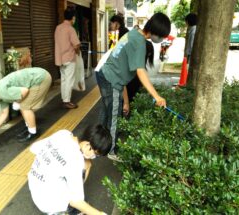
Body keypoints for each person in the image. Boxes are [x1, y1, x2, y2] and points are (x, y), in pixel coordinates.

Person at [96, 12, 171, 160]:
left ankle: (97, 142)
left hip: (104, 74)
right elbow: (140, 71)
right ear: (155, 32)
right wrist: (156, 96)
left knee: (106, 110)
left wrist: (126, 100)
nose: (161, 39)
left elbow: (125, 69)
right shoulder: (139, 43)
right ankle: (111, 151)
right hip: (112, 80)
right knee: (114, 117)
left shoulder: (134, 33)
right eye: (161, 36)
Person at [28, 124, 112, 215]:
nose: (93, 156)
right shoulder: (76, 159)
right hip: (49, 204)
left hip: (34, 187)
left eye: (96, 155)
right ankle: (64, 212)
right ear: (88, 145)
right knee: (87, 166)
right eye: (95, 153)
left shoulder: (64, 134)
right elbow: (75, 201)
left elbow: (33, 148)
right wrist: (99, 214)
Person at [0, 53, 52, 142]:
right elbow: (4, 113)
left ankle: (33, 132)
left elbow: (24, 91)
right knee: (24, 107)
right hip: (37, 74)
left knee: (25, 107)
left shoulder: (2, 91)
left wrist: (18, 101)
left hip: (41, 78)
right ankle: (30, 127)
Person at [55, 8, 81, 109]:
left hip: (60, 58)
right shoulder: (70, 29)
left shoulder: (58, 27)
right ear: (73, 18)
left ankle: (64, 98)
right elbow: (76, 44)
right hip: (69, 58)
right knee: (69, 80)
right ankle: (67, 101)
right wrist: (77, 52)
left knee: (64, 79)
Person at [123, 40, 155, 116]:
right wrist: (126, 102)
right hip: (125, 95)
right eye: (148, 54)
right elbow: (122, 84)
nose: (148, 57)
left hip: (130, 95)